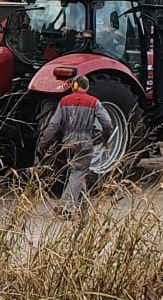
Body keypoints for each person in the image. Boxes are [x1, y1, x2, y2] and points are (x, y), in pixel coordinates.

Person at [36, 75, 116, 208]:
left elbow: (53, 126)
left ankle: (84, 208)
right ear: (87, 87)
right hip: (85, 144)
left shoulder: (64, 101)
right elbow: (107, 123)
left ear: (74, 86)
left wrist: (43, 143)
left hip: (68, 143)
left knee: (77, 172)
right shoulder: (94, 102)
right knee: (78, 173)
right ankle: (66, 207)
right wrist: (105, 138)